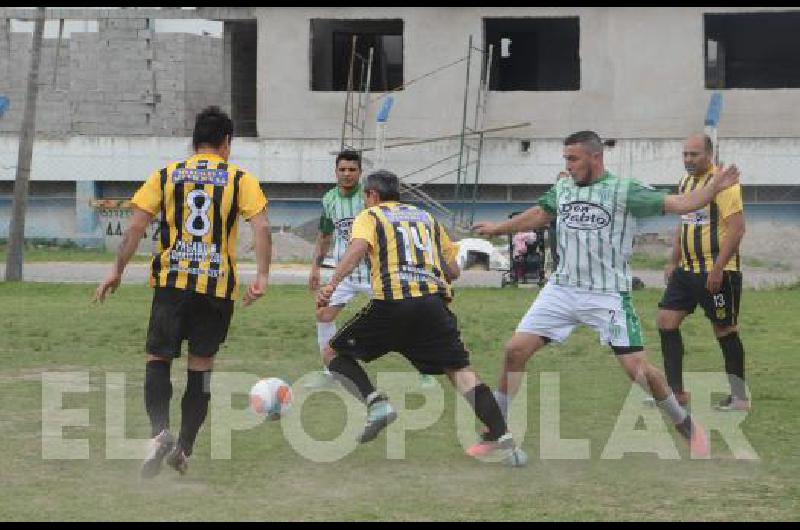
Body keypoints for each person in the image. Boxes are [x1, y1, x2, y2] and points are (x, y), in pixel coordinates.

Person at [472, 131, 741, 457]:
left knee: (638, 371)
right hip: (562, 289)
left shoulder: (624, 190)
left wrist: (713, 188)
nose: (568, 166)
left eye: (573, 159)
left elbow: (680, 203)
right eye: (565, 159)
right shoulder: (564, 188)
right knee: (514, 351)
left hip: (607, 294)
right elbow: (540, 215)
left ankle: (684, 423)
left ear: (595, 157)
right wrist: (497, 229)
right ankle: (495, 431)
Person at [93, 106, 272, 478]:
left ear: (194, 141)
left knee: (158, 358)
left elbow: (136, 227)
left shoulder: (166, 175)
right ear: (226, 142)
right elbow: (262, 228)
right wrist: (262, 277)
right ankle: (185, 447)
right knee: (200, 368)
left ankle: (160, 432)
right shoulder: (240, 179)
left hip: (171, 284)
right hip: (216, 288)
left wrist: (116, 270)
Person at [316, 170, 526, 465]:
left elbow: (357, 249)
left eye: (366, 197)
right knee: (460, 372)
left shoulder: (372, 215)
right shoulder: (426, 218)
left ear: (373, 196)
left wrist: (331, 284)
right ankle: (506, 442)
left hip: (393, 303)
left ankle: (376, 404)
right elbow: (453, 271)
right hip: (433, 305)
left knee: (332, 352)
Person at [307, 151, 435, 390]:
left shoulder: (370, 199)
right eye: (342, 169)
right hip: (345, 274)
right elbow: (325, 235)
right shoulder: (329, 200)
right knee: (323, 314)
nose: (346, 174)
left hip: (375, 274)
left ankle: (425, 371)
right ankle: (331, 371)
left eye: (352, 170)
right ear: (336, 171)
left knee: (401, 322)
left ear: (360, 173)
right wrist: (315, 266)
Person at [655, 134, 748, 411]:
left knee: (724, 330)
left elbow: (737, 229)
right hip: (686, 271)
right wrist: (673, 260)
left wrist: (719, 268)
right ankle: (676, 393)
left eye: (694, 154)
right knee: (665, 322)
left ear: (709, 153)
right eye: (685, 154)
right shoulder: (685, 183)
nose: (688, 160)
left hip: (717, 271)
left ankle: (740, 398)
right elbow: (683, 225)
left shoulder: (724, 183)